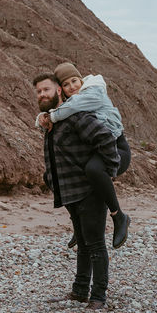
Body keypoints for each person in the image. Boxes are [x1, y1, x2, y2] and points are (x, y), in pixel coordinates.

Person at [34, 72, 120, 310]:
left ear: (59, 91)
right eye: (39, 91)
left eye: (47, 90)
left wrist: (108, 172)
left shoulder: (76, 116)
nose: (42, 95)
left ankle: (98, 297)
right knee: (83, 242)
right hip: (69, 192)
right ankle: (80, 291)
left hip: (89, 190)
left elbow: (105, 138)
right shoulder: (52, 121)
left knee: (95, 244)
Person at [37, 62, 131, 248]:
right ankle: (77, 224)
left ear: (81, 80)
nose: (72, 86)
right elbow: (61, 109)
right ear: (61, 89)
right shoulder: (70, 104)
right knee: (51, 176)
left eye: (74, 81)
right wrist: (42, 117)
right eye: (66, 84)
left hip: (116, 147)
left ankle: (119, 216)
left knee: (93, 169)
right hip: (99, 149)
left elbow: (71, 108)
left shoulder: (93, 92)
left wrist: (50, 117)